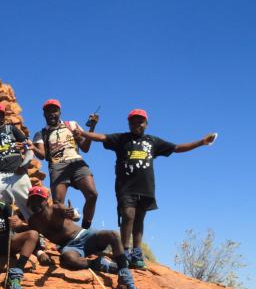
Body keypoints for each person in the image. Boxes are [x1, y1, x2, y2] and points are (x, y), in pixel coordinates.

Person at [74, 109, 216, 269]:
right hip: (125, 186)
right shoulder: (121, 138)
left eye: (140, 121)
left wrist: (201, 142)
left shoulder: (153, 141)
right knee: (128, 215)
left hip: (145, 187)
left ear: (146, 124)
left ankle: (136, 252)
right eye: (133, 121)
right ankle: (124, 251)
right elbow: (102, 137)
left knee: (139, 220)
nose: (137, 124)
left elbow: (176, 148)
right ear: (129, 123)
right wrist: (83, 133)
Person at [22, 186, 142, 289]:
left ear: (46, 200)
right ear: (28, 202)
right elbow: (32, 239)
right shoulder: (33, 221)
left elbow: (74, 214)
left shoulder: (57, 208)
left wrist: (73, 213)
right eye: (32, 200)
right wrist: (40, 253)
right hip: (70, 247)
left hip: (86, 235)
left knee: (112, 234)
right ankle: (98, 264)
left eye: (38, 199)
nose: (35, 203)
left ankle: (124, 273)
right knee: (68, 258)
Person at [30, 99, 98, 229]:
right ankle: (63, 234)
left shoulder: (71, 125)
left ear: (60, 112)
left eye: (54, 110)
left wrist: (92, 127)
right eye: (48, 111)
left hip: (77, 161)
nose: (51, 114)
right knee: (57, 204)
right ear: (44, 114)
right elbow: (42, 155)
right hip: (57, 165)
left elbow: (85, 148)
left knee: (92, 194)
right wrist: (33, 148)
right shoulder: (41, 133)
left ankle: (85, 229)